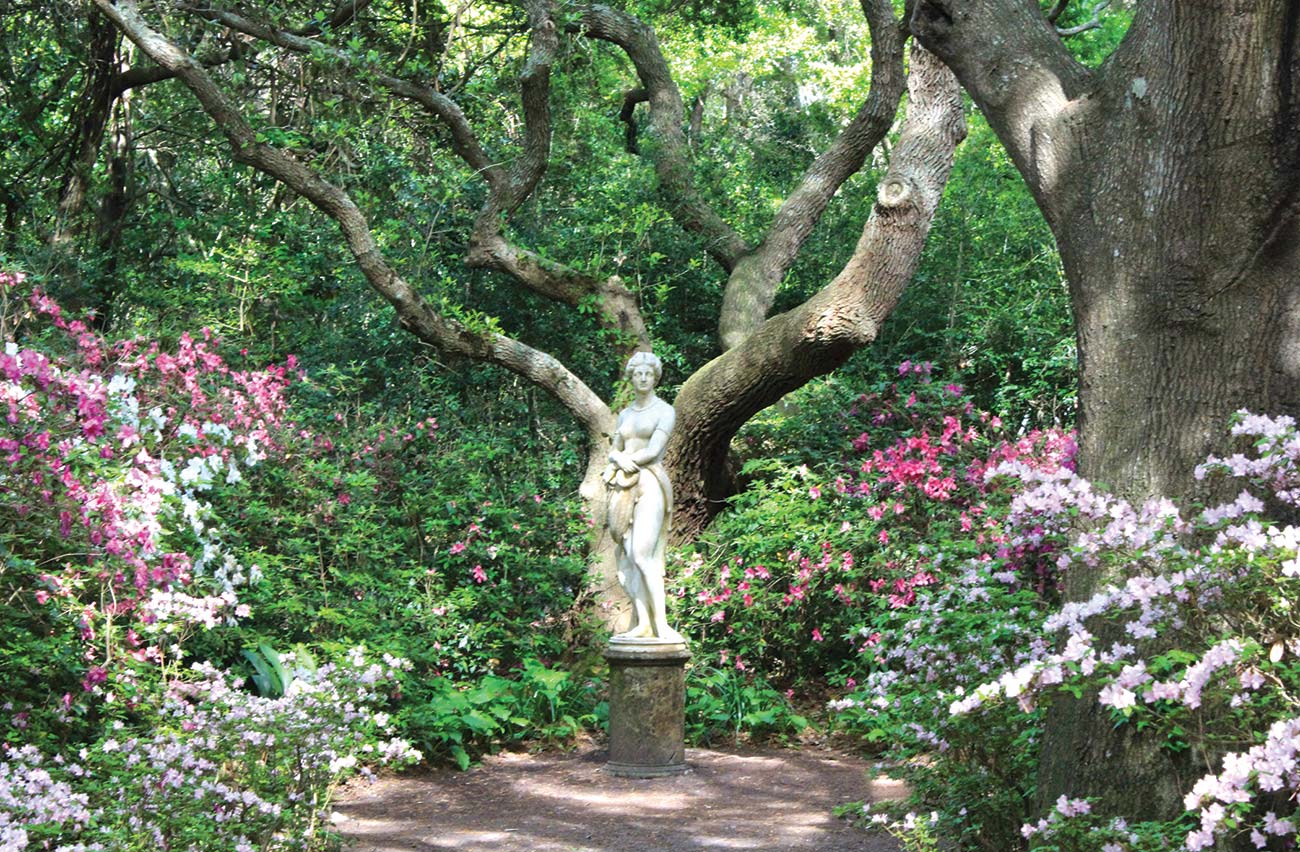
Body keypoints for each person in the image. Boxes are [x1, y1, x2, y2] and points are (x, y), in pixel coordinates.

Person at [604, 351, 683, 642]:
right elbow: (614, 447)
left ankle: (661, 624)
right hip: (622, 485)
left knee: (642, 553)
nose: (643, 378)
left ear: (656, 377)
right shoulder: (624, 414)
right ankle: (642, 623)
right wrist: (616, 458)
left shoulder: (664, 411)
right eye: (638, 373)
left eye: (649, 373)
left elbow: (654, 449)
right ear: (631, 376)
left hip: (649, 480)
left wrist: (627, 460)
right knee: (628, 555)